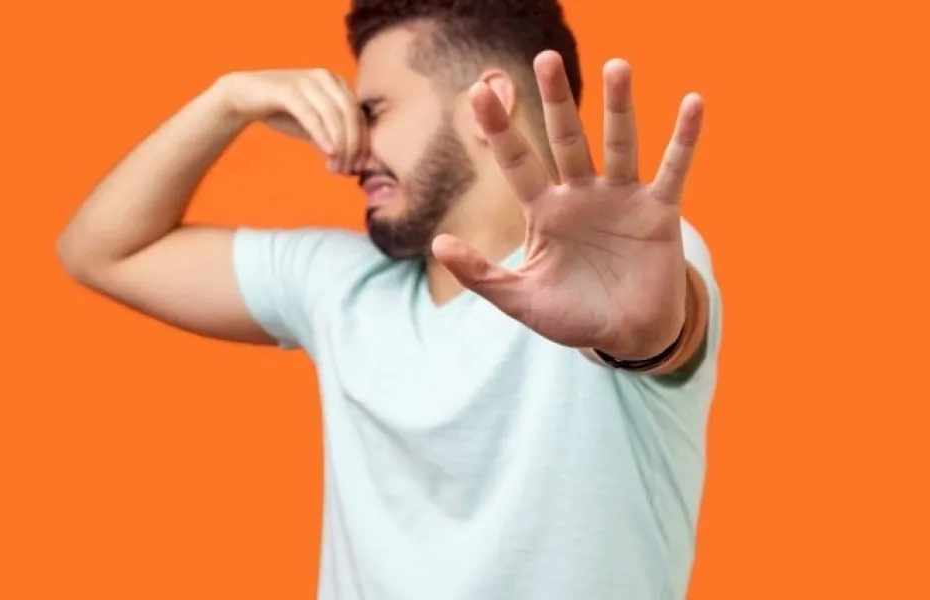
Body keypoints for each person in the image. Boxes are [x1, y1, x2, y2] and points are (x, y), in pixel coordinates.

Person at [56, 0, 723, 597]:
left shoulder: (626, 266)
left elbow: (653, 331)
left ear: (485, 102)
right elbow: (101, 252)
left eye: (373, 112)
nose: (347, 150)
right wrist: (227, 101)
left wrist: (643, 336)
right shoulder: (340, 284)